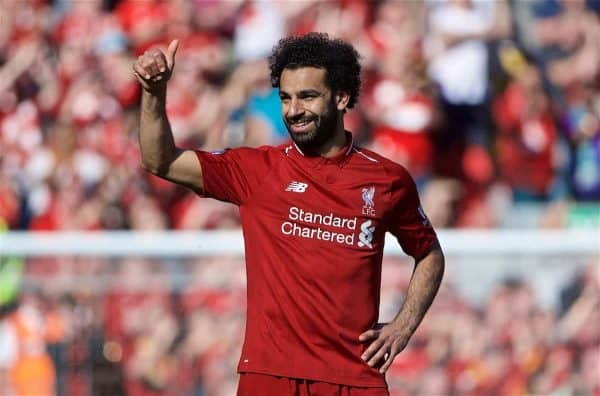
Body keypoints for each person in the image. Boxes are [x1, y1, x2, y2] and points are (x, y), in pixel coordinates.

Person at [133, 32, 445, 396]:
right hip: (270, 377)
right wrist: (153, 94)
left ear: (341, 97)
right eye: (285, 97)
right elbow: (161, 160)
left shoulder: (387, 179)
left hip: (354, 379)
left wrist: (403, 326)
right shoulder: (257, 170)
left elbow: (429, 254)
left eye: (307, 96)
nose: (293, 110)